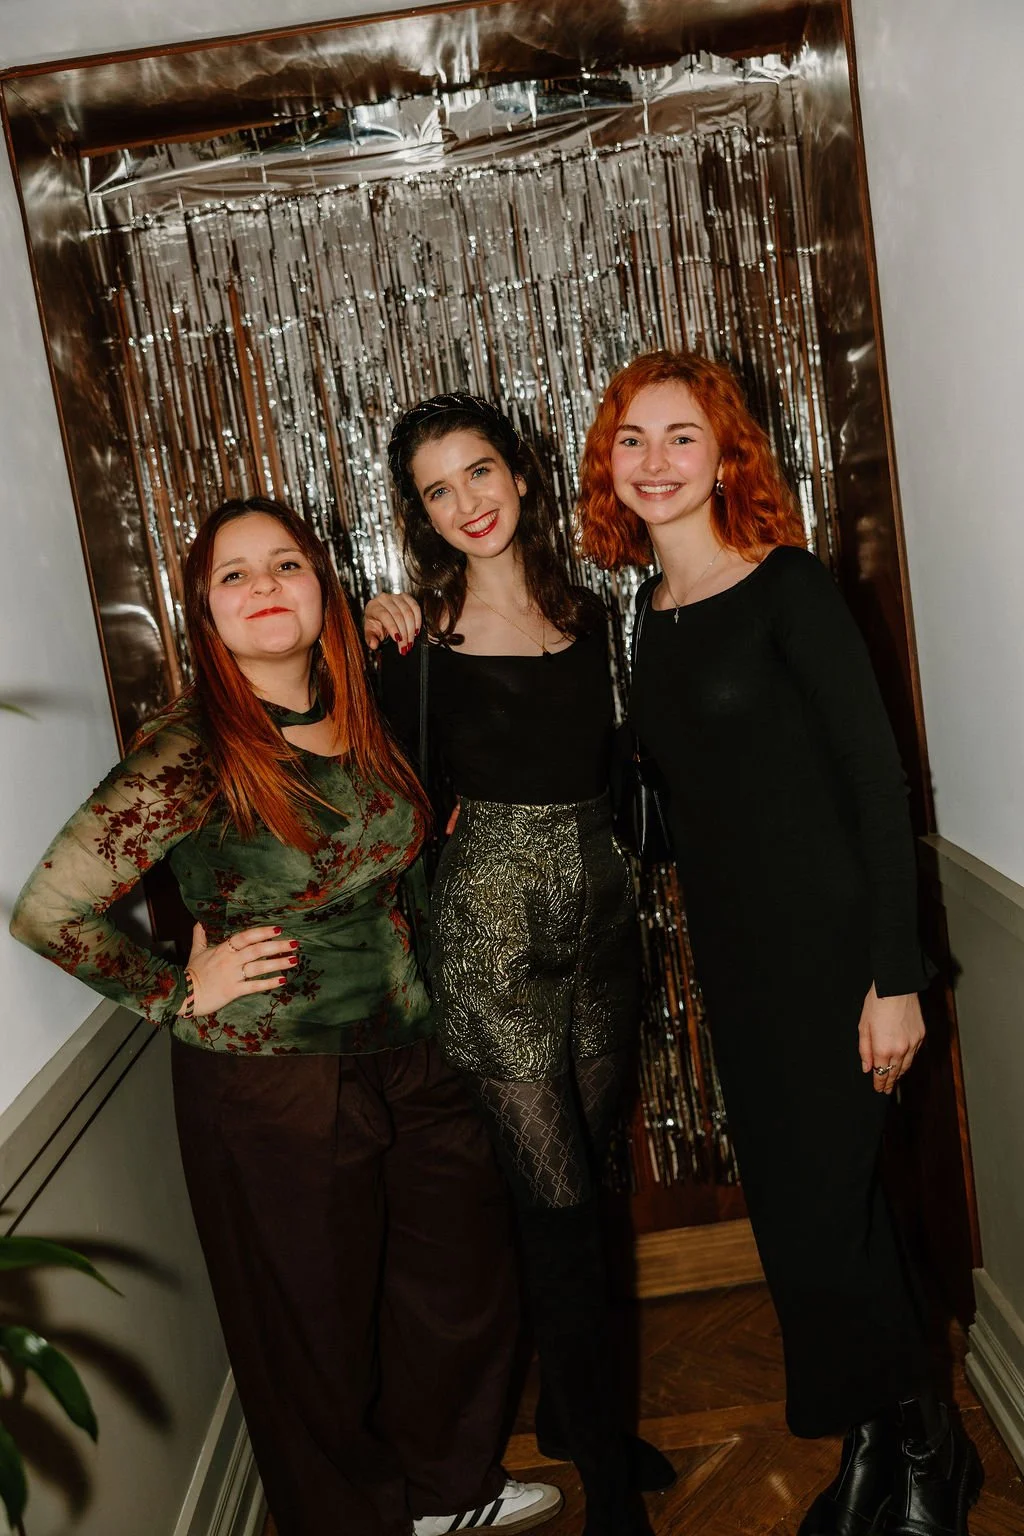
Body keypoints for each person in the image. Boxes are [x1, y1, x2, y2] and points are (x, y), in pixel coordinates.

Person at [10, 496, 562, 1536]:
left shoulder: (366, 705)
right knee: (312, 1330)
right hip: (274, 1078)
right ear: (205, 613)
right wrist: (173, 992)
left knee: (457, 1283)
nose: (264, 586)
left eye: (286, 565)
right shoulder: (190, 748)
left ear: (322, 587)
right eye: (235, 575)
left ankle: (448, 1492)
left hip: (414, 1045)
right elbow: (47, 911)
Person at [575, 349, 981, 1536]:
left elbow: (875, 784)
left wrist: (894, 979)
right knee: (804, 1221)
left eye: (681, 437)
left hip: (839, 961)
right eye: (633, 440)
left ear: (725, 457)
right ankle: (882, 1445)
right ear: (608, 464)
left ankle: (923, 1456)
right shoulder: (648, 614)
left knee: (836, 1213)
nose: (655, 462)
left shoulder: (787, 586)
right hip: (739, 968)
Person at [365, 394, 674, 1536]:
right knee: (554, 1209)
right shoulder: (415, 644)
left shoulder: (591, 617)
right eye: (438, 491)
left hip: (601, 924)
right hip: (490, 941)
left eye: (479, 472)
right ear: (422, 516)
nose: (467, 503)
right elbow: (377, 792)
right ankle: (605, 1485)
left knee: (592, 1185)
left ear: (522, 475)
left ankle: (581, 1421)